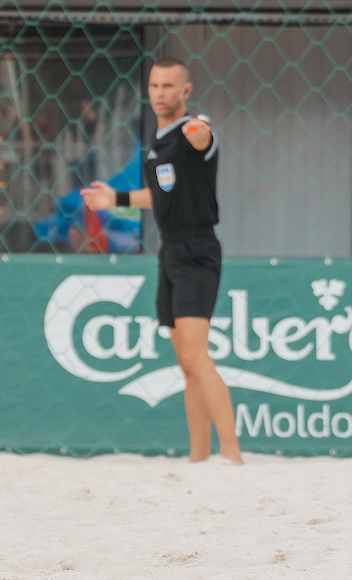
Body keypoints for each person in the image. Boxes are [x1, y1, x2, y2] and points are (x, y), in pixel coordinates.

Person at [82, 59, 243, 465]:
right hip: (169, 252)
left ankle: (233, 455)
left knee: (197, 358)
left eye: (169, 85)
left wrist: (201, 127)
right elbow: (160, 195)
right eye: (154, 85)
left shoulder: (190, 134)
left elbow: (203, 136)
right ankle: (199, 457)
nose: (159, 92)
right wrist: (115, 199)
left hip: (197, 250)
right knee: (186, 365)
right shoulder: (158, 141)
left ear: (185, 91)